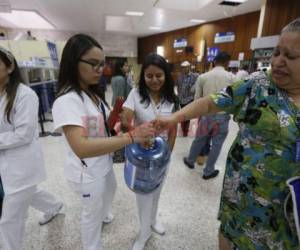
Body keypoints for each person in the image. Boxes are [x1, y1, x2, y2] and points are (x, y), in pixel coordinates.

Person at [154, 17, 300, 249]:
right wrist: (174, 118)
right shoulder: (258, 83)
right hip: (245, 192)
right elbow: (210, 101)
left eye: (290, 56)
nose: (279, 61)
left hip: (290, 206)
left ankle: (198, 162)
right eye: (277, 52)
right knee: (231, 231)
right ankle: (202, 164)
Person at [51, 34, 155, 250]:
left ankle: (104, 214)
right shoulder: (67, 100)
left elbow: (97, 128)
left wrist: (116, 118)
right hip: (87, 171)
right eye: (94, 64)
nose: (100, 69)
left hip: (103, 162)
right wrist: (130, 137)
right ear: (74, 61)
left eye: (102, 64)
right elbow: (81, 147)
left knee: (111, 188)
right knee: (91, 213)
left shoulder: (92, 94)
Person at [0, 46, 63, 250]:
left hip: (21, 164)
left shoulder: (25, 95)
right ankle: (54, 205)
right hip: (7, 164)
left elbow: (24, 134)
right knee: (30, 193)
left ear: (9, 67)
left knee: (10, 219)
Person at [121, 53, 178, 250]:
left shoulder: (171, 97)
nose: (154, 80)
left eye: (159, 75)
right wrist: (135, 134)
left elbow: (173, 128)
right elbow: (125, 119)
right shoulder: (136, 94)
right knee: (143, 194)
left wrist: (168, 154)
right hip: (141, 157)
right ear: (143, 76)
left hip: (162, 155)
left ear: (166, 75)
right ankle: (143, 233)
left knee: (158, 190)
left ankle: (153, 221)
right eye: (149, 76)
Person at [183, 52, 234, 179]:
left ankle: (190, 161)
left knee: (199, 139)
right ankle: (208, 171)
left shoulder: (203, 77)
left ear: (214, 62)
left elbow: (197, 99)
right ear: (227, 63)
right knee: (217, 144)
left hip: (206, 116)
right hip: (222, 116)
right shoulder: (232, 77)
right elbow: (235, 99)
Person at [176, 60, 198, 136]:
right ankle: (183, 127)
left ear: (189, 68)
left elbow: (197, 85)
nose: (183, 69)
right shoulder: (179, 77)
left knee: (187, 115)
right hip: (181, 99)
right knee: (182, 114)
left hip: (189, 99)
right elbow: (178, 87)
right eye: (182, 68)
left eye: (185, 67)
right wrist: (178, 96)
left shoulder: (195, 76)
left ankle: (185, 130)